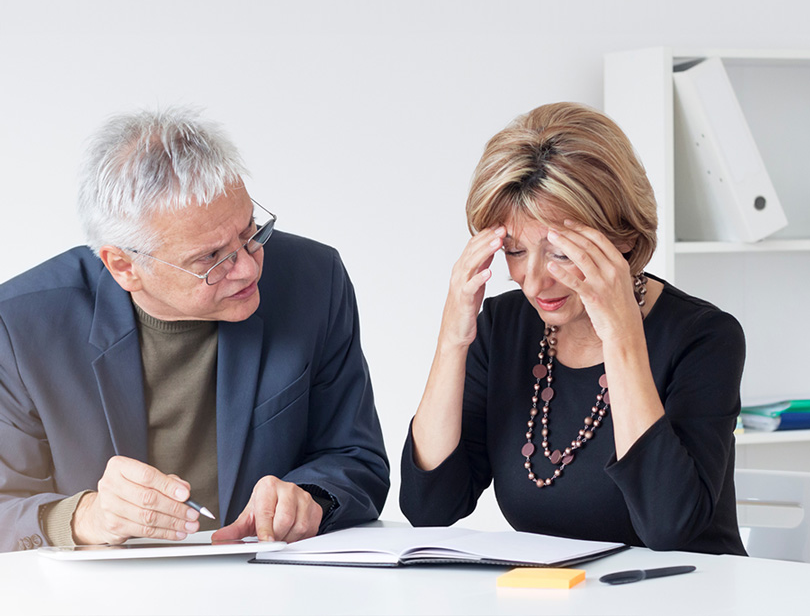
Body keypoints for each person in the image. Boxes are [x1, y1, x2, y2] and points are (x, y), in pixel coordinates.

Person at [0, 107, 389, 553]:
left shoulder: (315, 280)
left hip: (270, 584)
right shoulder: (20, 325)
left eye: (250, 233)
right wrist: (86, 517)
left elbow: (357, 459)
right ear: (124, 267)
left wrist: (310, 498)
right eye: (211, 258)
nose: (247, 268)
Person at [400, 102, 745, 555]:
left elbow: (669, 527)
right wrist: (452, 341)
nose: (535, 280)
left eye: (560, 251)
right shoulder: (502, 329)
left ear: (621, 236)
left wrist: (621, 337)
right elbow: (430, 510)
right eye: (515, 251)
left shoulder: (704, 337)